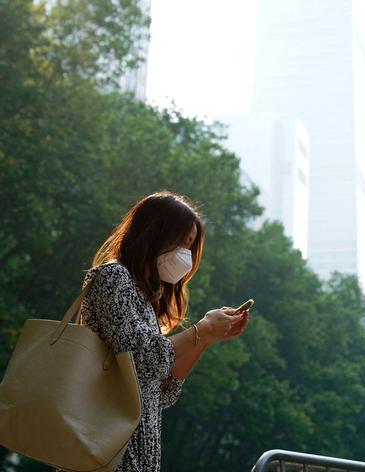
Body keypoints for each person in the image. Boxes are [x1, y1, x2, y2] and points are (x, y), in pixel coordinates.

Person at [78, 191, 249, 471]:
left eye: (190, 246)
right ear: (155, 233)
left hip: (136, 456)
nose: (186, 255)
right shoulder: (112, 277)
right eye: (183, 242)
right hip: (104, 453)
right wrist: (200, 329)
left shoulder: (145, 300)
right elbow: (142, 361)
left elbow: (161, 393)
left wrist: (204, 339)